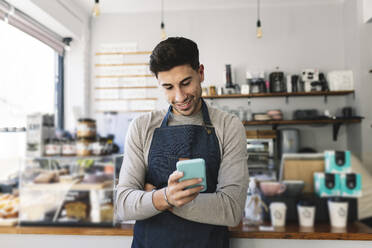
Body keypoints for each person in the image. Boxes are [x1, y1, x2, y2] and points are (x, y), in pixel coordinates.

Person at [115, 37, 248, 248]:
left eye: (186, 83)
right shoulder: (142, 127)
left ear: (201, 73)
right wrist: (166, 197)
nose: (179, 96)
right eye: (168, 87)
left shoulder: (228, 126)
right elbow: (123, 205)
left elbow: (231, 210)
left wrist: (156, 199)